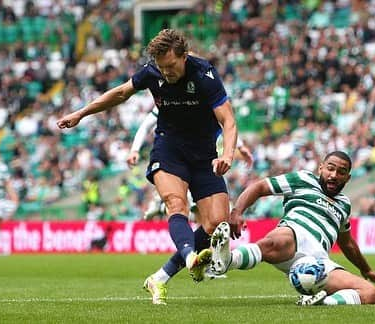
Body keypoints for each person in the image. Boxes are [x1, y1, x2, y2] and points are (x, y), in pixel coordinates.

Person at [56, 29, 238, 304]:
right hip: (169, 149)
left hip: (203, 156)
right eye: (161, 67)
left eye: (171, 66)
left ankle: (159, 278)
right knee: (176, 204)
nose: (166, 73)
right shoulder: (152, 72)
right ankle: (190, 257)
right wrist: (81, 113)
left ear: (184, 56)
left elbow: (228, 121)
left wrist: (228, 154)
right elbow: (120, 93)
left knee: (216, 224)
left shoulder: (204, 74)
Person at [210, 151, 375, 306]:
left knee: (370, 293)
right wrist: (237, 212)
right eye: (330, 169)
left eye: (341, 172)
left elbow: (347, 244)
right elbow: (261, 187)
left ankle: (322, 301)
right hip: (294, 234)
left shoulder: (344, 205)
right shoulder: (303, 179)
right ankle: (227, 260)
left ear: (347, 178)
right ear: (321, 169)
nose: (334, 175)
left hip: (317, 262)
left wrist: (366, 269)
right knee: (276, 241)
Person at [125, 106, 254, 220]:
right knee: (183, 205)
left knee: (213, 217)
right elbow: (147, 123)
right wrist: (134, 149)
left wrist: (241, 146)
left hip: (205, 161)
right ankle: (163, 204)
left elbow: (228, 125)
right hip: (182, 158)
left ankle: (163, 206)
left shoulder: (208, 99)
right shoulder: (171, 99)